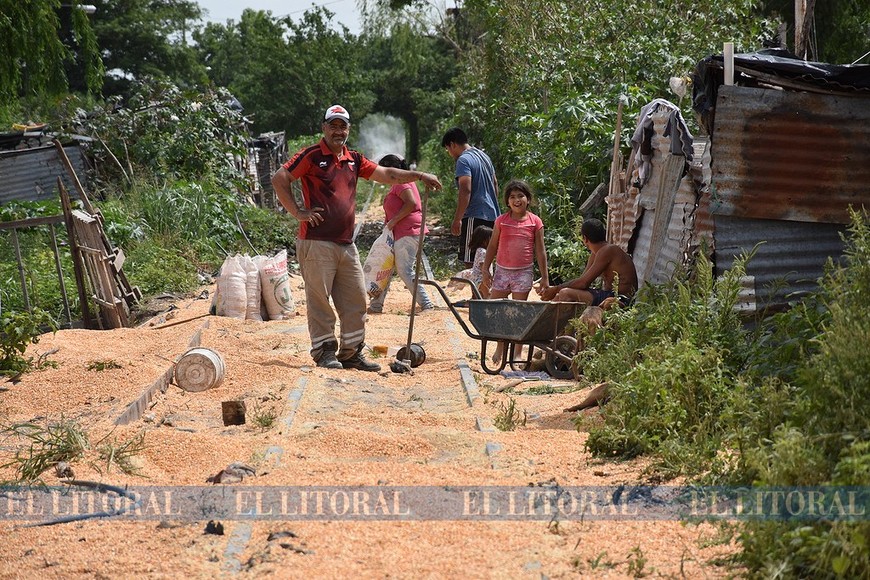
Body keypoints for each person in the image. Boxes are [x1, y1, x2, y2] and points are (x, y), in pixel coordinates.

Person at [272, 104, 442, 371]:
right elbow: (280, 178)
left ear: (348, 129)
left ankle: (351, 353)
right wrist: (298, 212)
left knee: (356, 299)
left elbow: (388, 174)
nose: (338, 131)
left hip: (345, 243)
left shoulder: (354, 159)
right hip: (315, 241)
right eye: (333, 125)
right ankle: (325, 352)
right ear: (324, 128)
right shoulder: (312, 155)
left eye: (343, 126)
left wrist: (419, 175)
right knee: (320, 301)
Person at [481, 180, 550, 363]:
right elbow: (492, 246)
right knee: (499, 311)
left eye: (521, 196)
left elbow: (540, 251)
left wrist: (545, 277)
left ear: (528, 199)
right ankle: (500, 348)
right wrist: (486, 269)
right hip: (502, 271)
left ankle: (517, 354)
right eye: (512, 197)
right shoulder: (501, 221)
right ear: (507, 201)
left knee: (518, 314)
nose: (517, 200)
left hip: (523, 273)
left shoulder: (535, 222)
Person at [365, 154, 435, 314]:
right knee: (386, 268)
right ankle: (376, 304)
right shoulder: (397, 184)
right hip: (398, 232)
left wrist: (393, 221)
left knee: (404, 270)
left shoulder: (402, 183)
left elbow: (411, 203)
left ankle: (426, 304)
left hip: (408, 231)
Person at [538, 217, 638, 307]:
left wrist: (556, 288)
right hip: (607, 294)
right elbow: (582, 281)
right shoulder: (596, 253)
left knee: (565, 293)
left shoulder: (608, 250)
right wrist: (554, 291)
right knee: (561, 294)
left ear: (585, 239)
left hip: (622, 299)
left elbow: (583, 284)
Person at [441, 127, 500, 267]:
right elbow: (495, 183)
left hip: (474, 215)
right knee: (487, 258)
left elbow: (465, 189)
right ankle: (485, 289)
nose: (449, 153)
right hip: (493, 215)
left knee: (471, 260)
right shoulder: (484, 156)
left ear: (453, 144)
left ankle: (477, 289)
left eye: (448, 149)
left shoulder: (463, 160)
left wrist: (458, 219)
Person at [449, 225, 493, 297]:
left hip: (477, 278)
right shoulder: (483, 252)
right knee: (487, 295)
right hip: (481, 278)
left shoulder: (480, 250)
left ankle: (470, 304)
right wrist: (489, 276)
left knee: (478, 296)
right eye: (491, 239)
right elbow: (483, 266)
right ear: (484, 240)